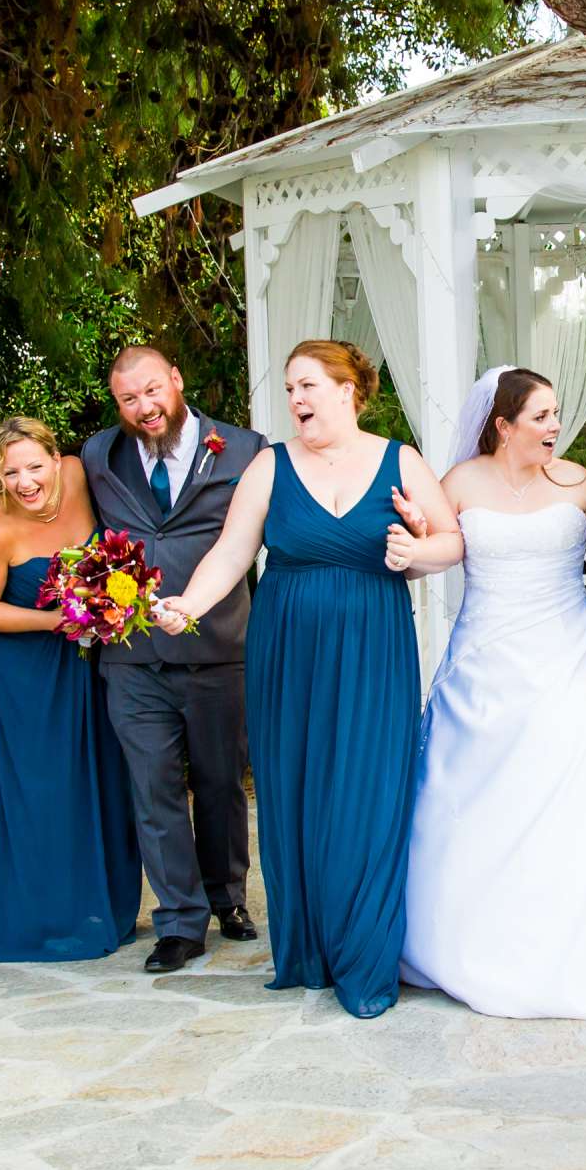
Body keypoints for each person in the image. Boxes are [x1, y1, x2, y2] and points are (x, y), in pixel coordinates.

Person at [156, 340, 462, 1018]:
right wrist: (189, 605)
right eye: (291, 389)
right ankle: (309, 949)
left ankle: (363, 953)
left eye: (309, 386)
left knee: (367, 790)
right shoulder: (270, 466)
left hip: (373, 645)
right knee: (296, 790)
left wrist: (417, 551)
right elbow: (231, 551)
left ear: (350, 390)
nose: (296, 401)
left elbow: (452, 540)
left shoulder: (399, 460)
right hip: (287, 649)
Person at [396, 367, 586, 1018]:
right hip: (484, 667)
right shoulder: (461, 483)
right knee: (475, 799)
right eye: (542, 416)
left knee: (575, 789)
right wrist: (415, 534)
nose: (556, 426)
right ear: (503, 425)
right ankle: (463, 941)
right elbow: (435, 549)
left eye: (556, 414)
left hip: (567, 662)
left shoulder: (580, 482)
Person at [79, 347, 265, 973]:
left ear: (177, 380)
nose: (145, 408)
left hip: (219, 649)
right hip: (132, 658)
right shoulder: (98, 455)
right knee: (153, 788)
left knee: (219, 784)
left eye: (153, 392)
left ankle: (227, 897)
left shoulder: (243, 449)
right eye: (129, 399)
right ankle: (180, 922)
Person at [0, 418, 143, 963]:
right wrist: (58, 622)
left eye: (34, 465)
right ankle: (41, 921)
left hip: (91, 665)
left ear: (54, 457)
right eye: (10, 471)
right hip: (27, 675)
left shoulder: (78, 476)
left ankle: (105, 908)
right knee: (41, 791)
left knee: (100, 780)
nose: (25, 481)